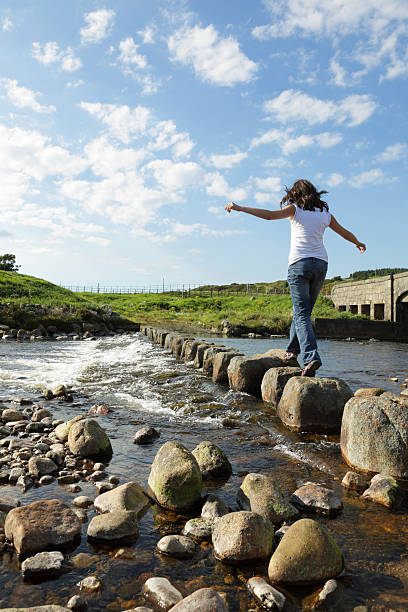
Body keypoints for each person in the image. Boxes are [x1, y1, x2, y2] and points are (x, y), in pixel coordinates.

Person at [225, 179, 366, 376]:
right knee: (303, 312)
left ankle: (311, 357)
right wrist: (357, 242)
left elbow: (269, 216)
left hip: (299, 264)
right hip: (320, 265)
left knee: (301, 313)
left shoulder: (295, 209)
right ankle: (292, 352)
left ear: (296, 193)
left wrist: (240, 207)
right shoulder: (325, 214)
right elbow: (344, 232)